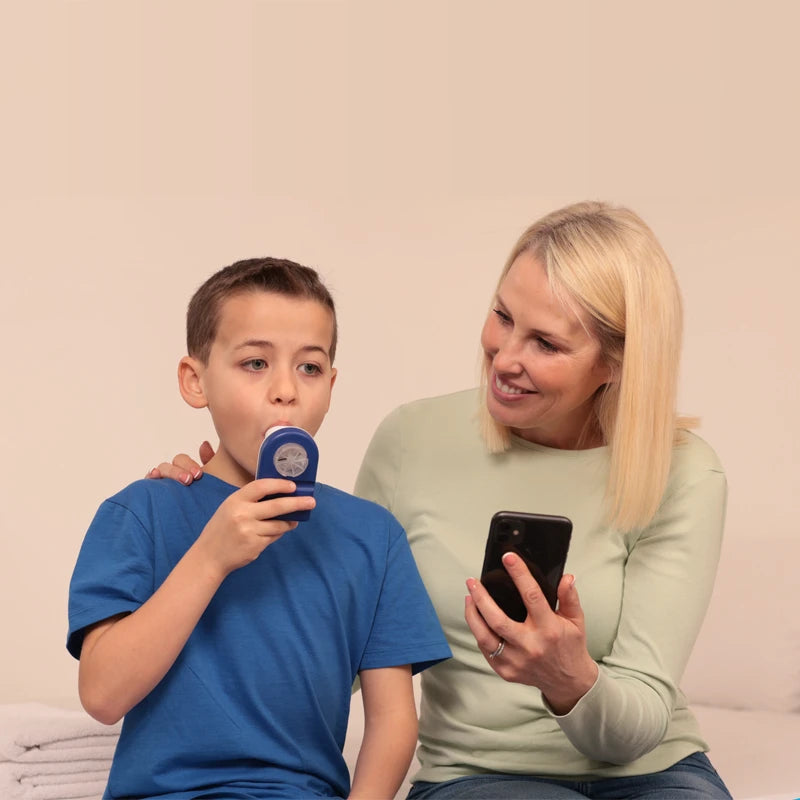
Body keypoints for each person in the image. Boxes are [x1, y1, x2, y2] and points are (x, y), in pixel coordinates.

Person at [153, 203, 731, 799]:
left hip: (654, 770)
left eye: (547, 345)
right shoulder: (412, 440)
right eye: (503, 317)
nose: (506, 359)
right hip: (480, 775)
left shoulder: (682, 471)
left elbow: (639, 722)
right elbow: (341, 643)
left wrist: (571, 681)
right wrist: (214, 501)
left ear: (614, 363)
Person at [67, 257, 451, 800]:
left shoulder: (373, 536)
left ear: (331, 386)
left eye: (310, 368)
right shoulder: (141, 512)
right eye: (254, 363)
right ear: (195, 381)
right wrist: (210, 557)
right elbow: (103, 695)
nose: (286, 390)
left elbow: (393, 723)